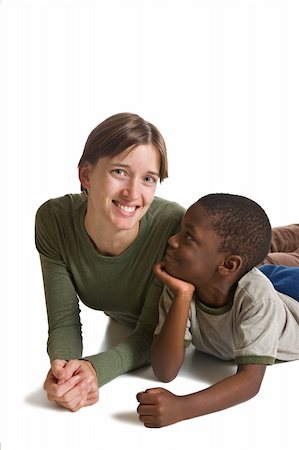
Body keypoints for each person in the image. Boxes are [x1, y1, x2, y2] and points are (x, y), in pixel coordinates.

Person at [35, 112, 185, 412]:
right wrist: (64, 370)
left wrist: (94, 370)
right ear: (86, 175)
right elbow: (63, 319)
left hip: (220, 292)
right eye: (119, 172)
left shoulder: (171, 228)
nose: (133, 193)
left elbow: (150, 334)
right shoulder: (54, 221)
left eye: (148, 179)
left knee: (268, 263)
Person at [136, 193, 299, 428]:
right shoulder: (182, 281)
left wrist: (182, 408)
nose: (172, 240)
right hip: (254, 279)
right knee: (264, 257)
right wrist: (182, 296)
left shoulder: (255, 299)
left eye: (188, 236)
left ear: (228, 265)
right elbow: (165, 370)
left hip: (289, 295)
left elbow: (249, 381)